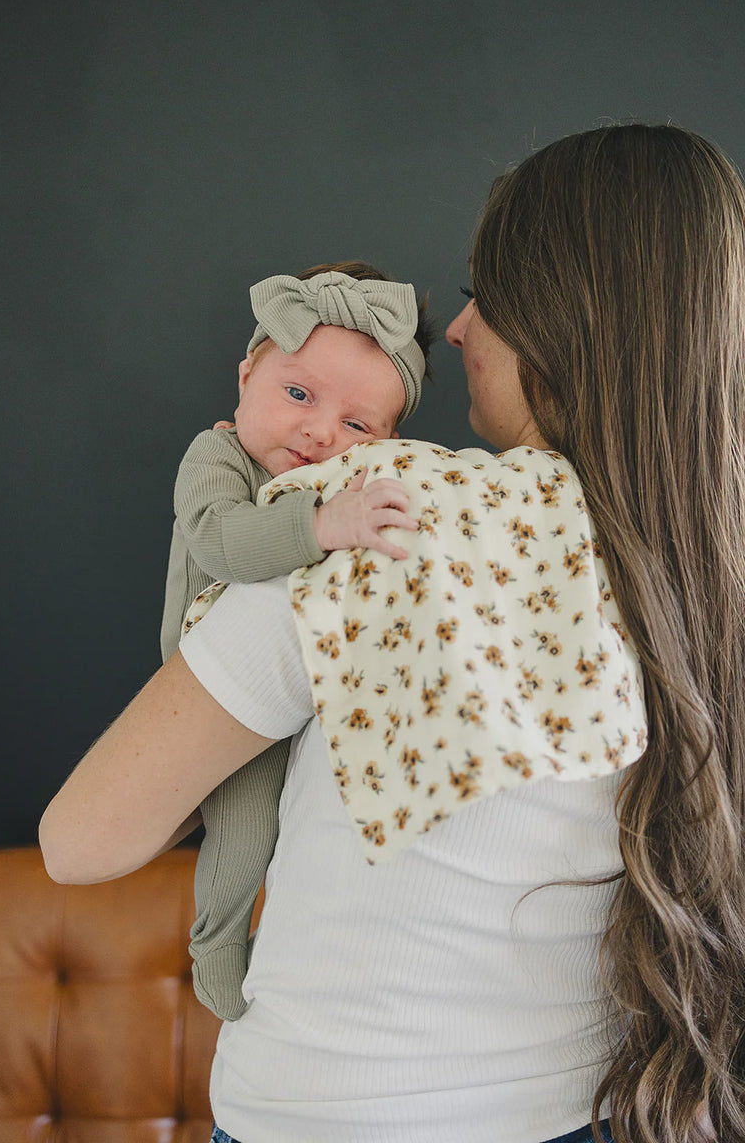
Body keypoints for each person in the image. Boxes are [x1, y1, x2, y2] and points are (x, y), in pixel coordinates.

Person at [39, 124, 745, 1143]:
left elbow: (80, 843)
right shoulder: (707, 571)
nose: (452, 332)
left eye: (481, 295)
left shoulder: (388, 508)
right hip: (592, 1116)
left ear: (562, 316)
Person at [159, 262, 433, 1020]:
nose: (319, 432)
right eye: (299, 394)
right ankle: (215, 944)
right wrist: (321, 526)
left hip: (313, 699)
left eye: (358, 425)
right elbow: (222, 544)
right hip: (224, 703)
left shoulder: (347, 485)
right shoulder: (217, 457)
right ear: (247, 374)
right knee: (245, 834)